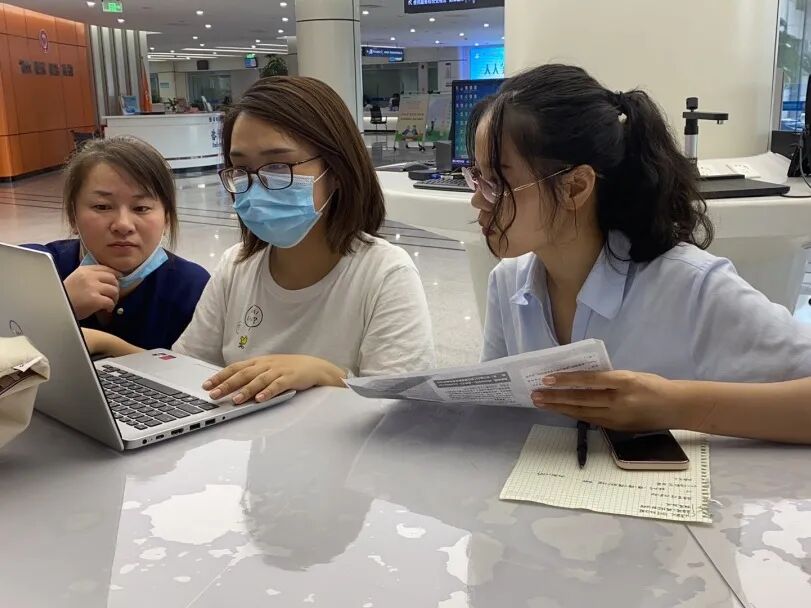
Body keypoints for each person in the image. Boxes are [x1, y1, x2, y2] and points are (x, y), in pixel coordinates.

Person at [467, 64, 811, 444]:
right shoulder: (507, 283)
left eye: (497, 182)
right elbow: (496, 417)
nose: (478, 201)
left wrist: (675, 405)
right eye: (477, 177)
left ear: (575, 187)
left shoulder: (690, 286)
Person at [90, 76, 435, 404]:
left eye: (278, 166)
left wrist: (327, 376)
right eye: (241, 170)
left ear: (337, 170)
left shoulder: (384, 274)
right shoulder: (237, 265)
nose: (255, 187)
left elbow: (402, 412)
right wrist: (107, 345)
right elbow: (188, 371)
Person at [25, 136, 209, 350]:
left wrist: (108, 345)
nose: (123, 225)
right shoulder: (32, 269)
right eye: (102, 206)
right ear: (73, 216)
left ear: (166, 218)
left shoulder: (192, 288)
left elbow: (199, 369)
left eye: (141, 208)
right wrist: (56, 307)